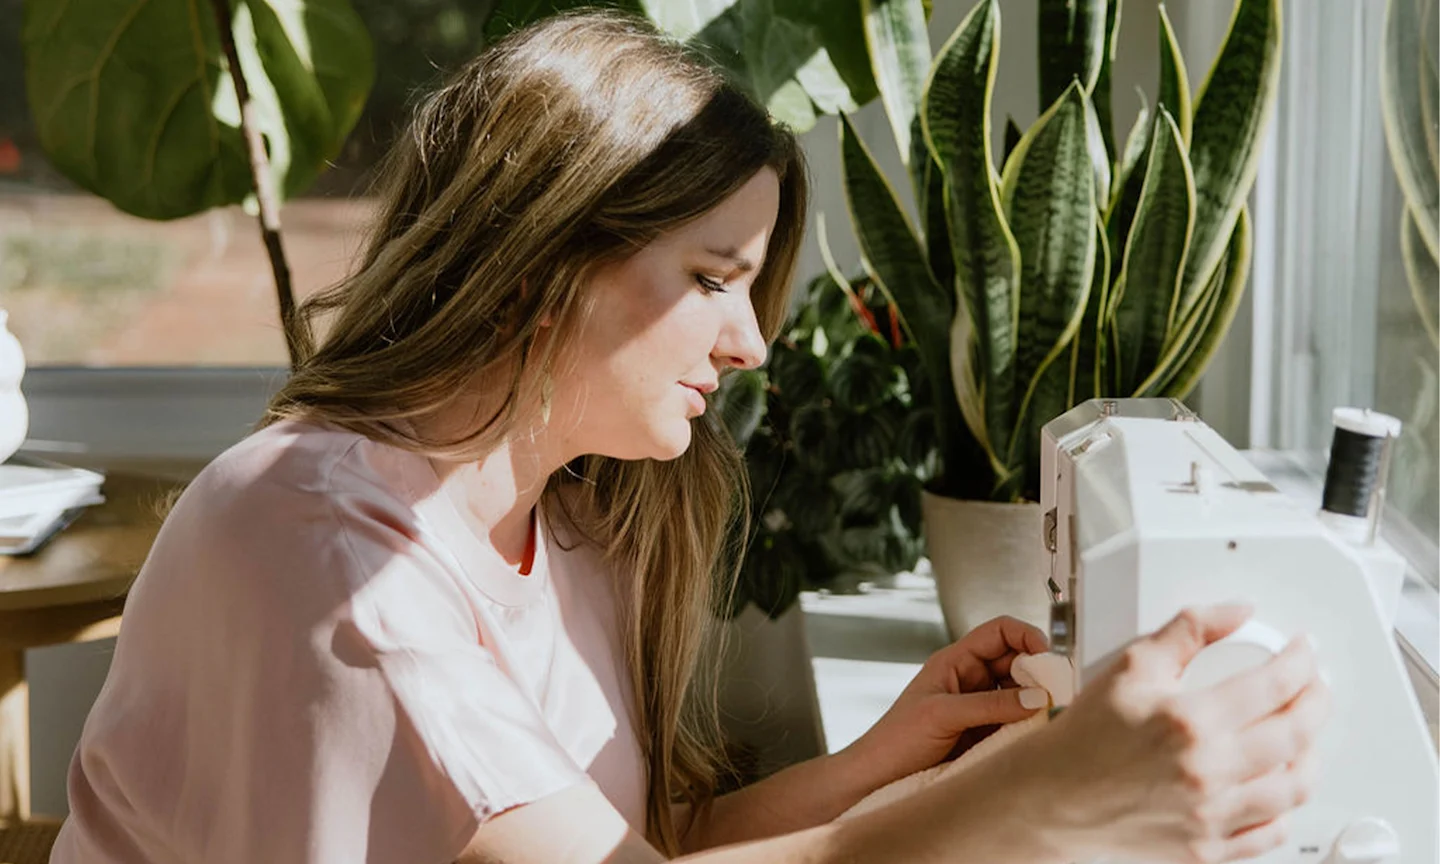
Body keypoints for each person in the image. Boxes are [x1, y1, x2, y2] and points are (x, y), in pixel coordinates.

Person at [50, 11, 1329, 864]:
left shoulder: (561, 516)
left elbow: (633, 839)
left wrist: (886, 760)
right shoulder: (331, 551)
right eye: (714, 278)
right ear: (541, 256)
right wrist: (1041, 804)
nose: (751, 344)